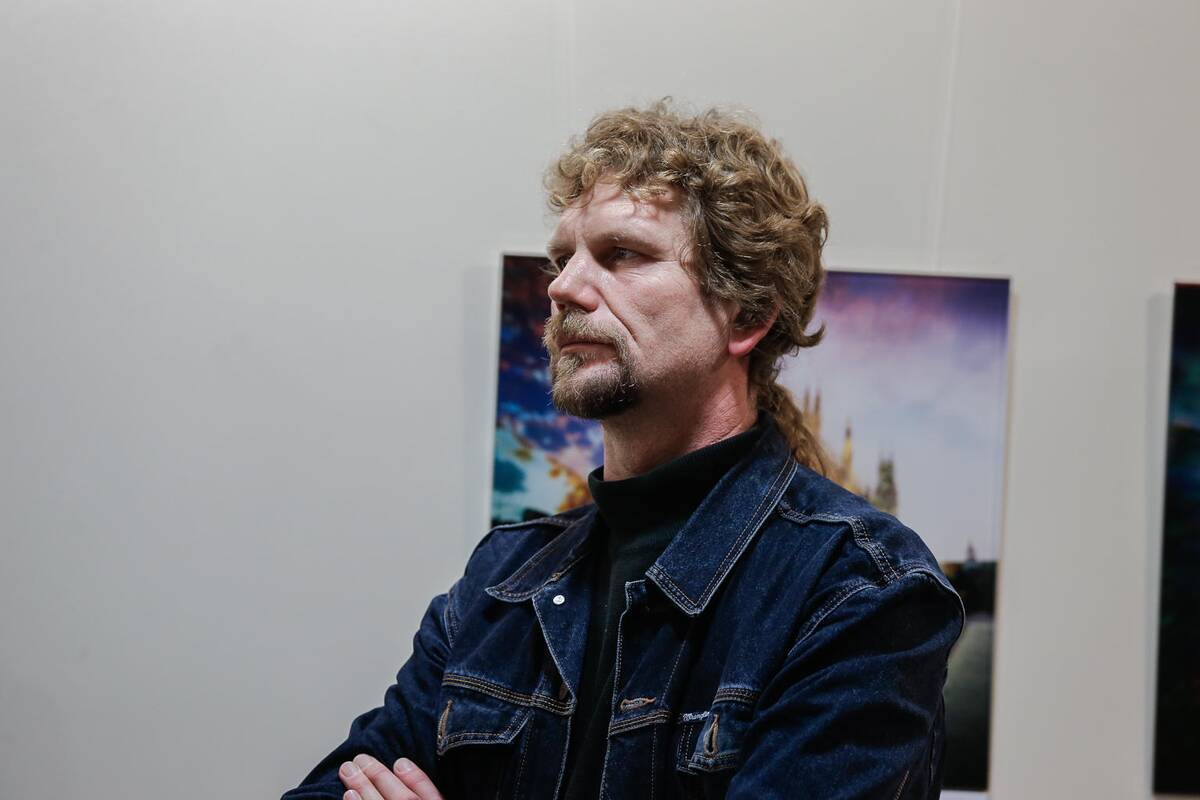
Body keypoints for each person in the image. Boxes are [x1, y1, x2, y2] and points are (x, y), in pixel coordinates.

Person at [281, 102, 964, 800]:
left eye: (623, 254)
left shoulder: (859, 587)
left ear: (748, 315)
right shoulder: (502, 579)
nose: (562, 288)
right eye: (562, 259)